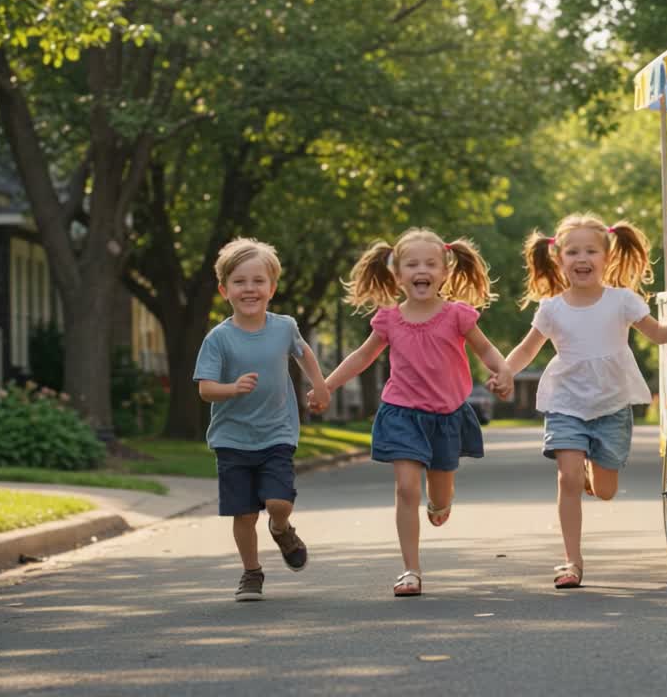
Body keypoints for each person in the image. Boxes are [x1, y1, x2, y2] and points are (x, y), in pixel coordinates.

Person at [309, 228, 513, 597]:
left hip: (446, 415)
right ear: (397, 274)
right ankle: (410, 570)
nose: (422, 270)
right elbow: (361, 356)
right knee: (406, 489)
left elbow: (486, 351)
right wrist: (327, 385)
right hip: (401, 412)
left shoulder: (457, 315)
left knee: (439, 493)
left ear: (445, 272)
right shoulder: (388, 319)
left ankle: (441, 502)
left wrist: (503, 372)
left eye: (431, 264)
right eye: (412, 264)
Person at [502, 213, 667, 589]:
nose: (581, 258)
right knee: (567, 477)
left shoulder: (622, 301)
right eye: (572, 251)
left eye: (590, 250)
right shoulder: (552, 308)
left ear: (606, 257)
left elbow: (656, 335)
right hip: (566, 403)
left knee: (605, 490)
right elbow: (527, 350)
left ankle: (593, 473)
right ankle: (571, 561)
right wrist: (506, 371)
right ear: (558, 259)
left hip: (611, 407)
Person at [194, 237, 330, 602]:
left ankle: (282, 528)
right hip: (232, 438)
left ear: (272, 287)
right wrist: (232, 388)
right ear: (225, 290)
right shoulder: (218, 338)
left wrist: (320, 387)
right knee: (242, 514)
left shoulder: (284, 326)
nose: (250, 289)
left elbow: (304, 354)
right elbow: (205, 389)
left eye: (258, 281)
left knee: (278, 502)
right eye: (240, 281)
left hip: (277, 432)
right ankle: (251, 573)